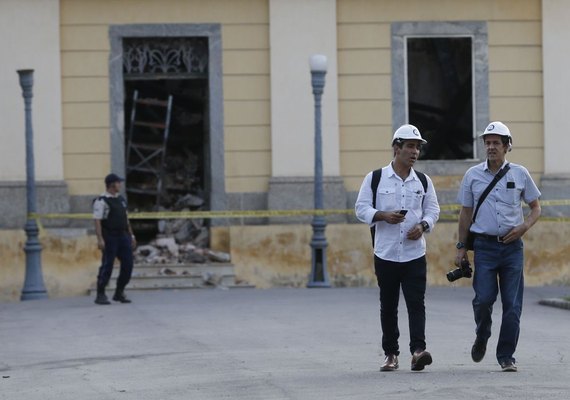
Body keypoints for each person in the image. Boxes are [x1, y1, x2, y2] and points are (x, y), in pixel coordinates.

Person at [455, 121, 541, 372]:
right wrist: (461, 247)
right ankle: (482, 335)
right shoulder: (472, 175)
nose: (491, 147)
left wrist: (523, 227)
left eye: (496, 143)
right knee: (483, 300)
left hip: (513, 248)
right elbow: (465, 214)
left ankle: (506, 355)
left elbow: (536, 208)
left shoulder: (520, 173)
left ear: (507, 146)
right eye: (487, 142)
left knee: (513, 305)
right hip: (484, 247)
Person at [355, 124, 440, 372]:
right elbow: (360, 209)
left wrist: (423, 225)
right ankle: (391, 354)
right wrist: (381, 215)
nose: (415, 152)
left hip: (414, 253)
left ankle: (418, 351)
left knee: (416, 303)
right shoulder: (375, 178)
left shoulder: (423, 181)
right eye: (410, 146)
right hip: (386, 252)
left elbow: (433, 210)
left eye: (417, 148)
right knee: (388, 305)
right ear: (396, 148)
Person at [92, 173, 137, 305]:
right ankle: (100, 293)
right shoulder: (101, 201)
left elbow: (126, 219)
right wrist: (100, 239)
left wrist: (132, 235)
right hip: (110, 236)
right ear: (112, 184)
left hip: (123, 236)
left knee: (128, 264)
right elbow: (97, 221)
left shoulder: (121, 200)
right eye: (118, 182)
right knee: (107, 265)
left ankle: (119, 292)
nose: (120, 185)